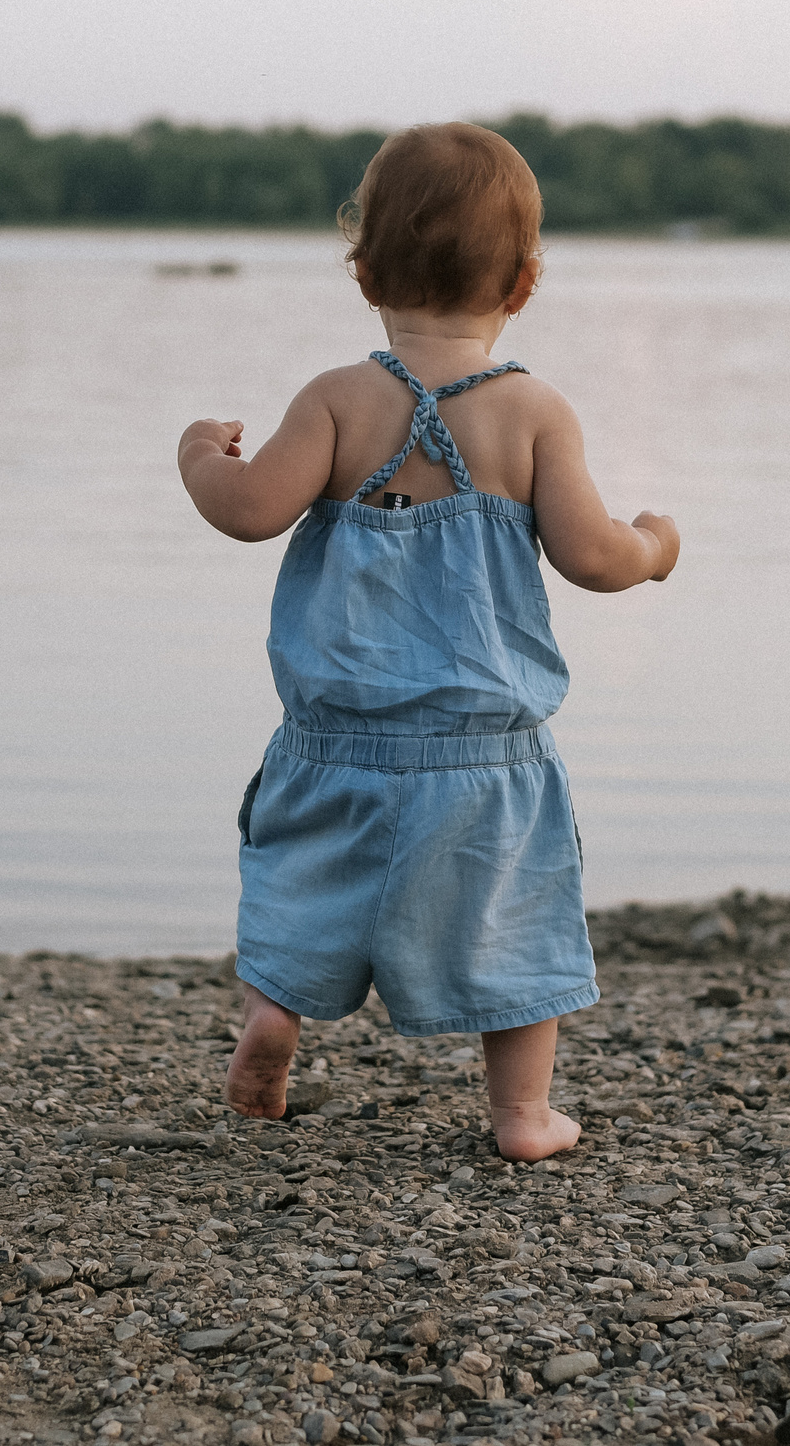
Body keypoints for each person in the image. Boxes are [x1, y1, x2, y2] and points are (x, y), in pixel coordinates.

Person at [174, 122, 681, 1162]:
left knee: (301, 880)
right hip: (482, 755)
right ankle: (522, 1115)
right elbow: (590, 556)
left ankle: (274, 1015)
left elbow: (248, 511)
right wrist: (654, 543)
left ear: (363, 274)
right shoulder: (533, 412)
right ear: (525, 283)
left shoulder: (334, 400)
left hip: (333, 741)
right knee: (513, 917)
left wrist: (197, 457)